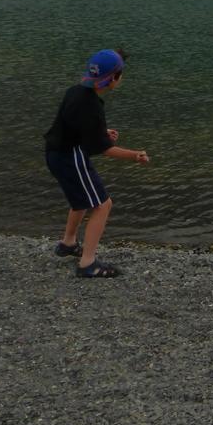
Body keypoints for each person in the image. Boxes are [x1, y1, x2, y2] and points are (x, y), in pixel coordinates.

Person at [44, 48, 150, 278]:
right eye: (120, 74)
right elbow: (103, 149)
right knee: (102, 205)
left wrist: (101, 133)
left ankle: (68, 243)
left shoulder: (75, 92)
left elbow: (76, 127)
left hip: (55, 153)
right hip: (70, 157)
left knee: (80, 200)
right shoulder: (92, 105)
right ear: (113, 78)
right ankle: (88, 263)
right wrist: (135, 155)